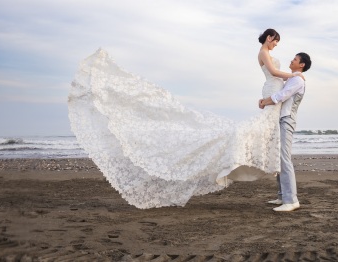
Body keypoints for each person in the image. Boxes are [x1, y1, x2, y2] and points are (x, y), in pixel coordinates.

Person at [67, 29, 303, 209]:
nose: (275, 44)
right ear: (268, 37)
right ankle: (278, 189)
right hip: (271, 93)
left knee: (273, 142)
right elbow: (273, 73)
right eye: (274, 40)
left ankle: (283, 194)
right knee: (257, 136)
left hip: (273, 97)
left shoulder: (273, 58)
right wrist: (292, 74)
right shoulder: (264, 53)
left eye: (277, 42)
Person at [259, 51, 312, 212]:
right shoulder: (292, 77)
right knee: (279, 157)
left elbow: (282, 95)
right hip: (281, 119)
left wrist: (265, 102)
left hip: (287, 120)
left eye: (295, 59)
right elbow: (274, 76)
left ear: (301, 64)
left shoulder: (297, 80)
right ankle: (282, 196)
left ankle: (291, 200)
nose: (291, 60)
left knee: (284, 158)